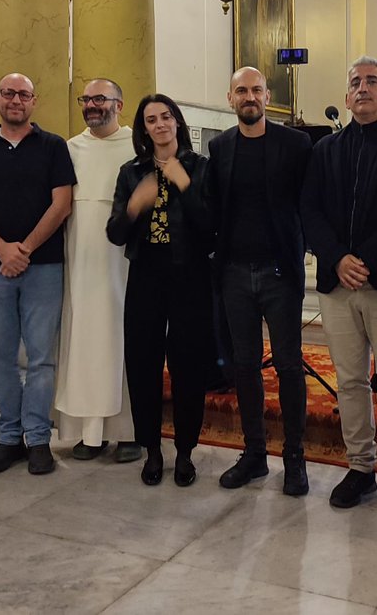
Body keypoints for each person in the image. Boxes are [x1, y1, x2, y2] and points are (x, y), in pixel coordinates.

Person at [300, 57, 377, 519]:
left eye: (373, 81)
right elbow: (309, 211)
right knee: (349, 381)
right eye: (355, 82)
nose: (362, 89)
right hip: (338, 285)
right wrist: (337, 258)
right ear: (347, 94)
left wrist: (367, 259)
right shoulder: (325, 150)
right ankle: (359, 467)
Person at [0, 73, 75, 476]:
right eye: (9, 93)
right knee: (0, 357)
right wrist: (2, 249)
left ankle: (38, 438)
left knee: (42, 358)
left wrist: (23, 249)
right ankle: (8, 437)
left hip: (43, 267)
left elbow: (62, 204)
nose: (16, 100)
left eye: (24, 94)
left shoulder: (53, 146)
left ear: (34, 102)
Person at [208, 66, 313, 496]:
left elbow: (309, 202)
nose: (249, 97)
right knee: (245, 366)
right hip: (234, 272)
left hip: (279, 272)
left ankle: (294, 458)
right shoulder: (220, 146)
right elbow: (211, 205)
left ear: (267, 96)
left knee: (288, 365)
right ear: (230, 98)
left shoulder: (296, 143)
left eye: (255, 90)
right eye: (240, 91)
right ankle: (254, 454)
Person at [107, 94, 214, 487]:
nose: (160, 124)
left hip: (190, 277)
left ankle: (185, 451)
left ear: (177, 122)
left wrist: (185, 186)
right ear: (144, 128)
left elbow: (212, 229)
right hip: (146, 276)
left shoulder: (200, 168)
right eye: (151, 119)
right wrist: (134, 205)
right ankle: (151, 449)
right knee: (142, 364)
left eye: (166, 116)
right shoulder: (131, 171)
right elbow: (114, 233)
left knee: (188, 366)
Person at [52, 78, 142, 464]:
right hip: (81, 259)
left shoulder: (137, 146)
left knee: (123, 340)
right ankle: (89, 433)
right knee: (84, 341)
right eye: (86, 99)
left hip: (121, 262)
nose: (92, 105)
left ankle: (129, 433)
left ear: (119, 104)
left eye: (100, 98)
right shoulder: (70, 148)